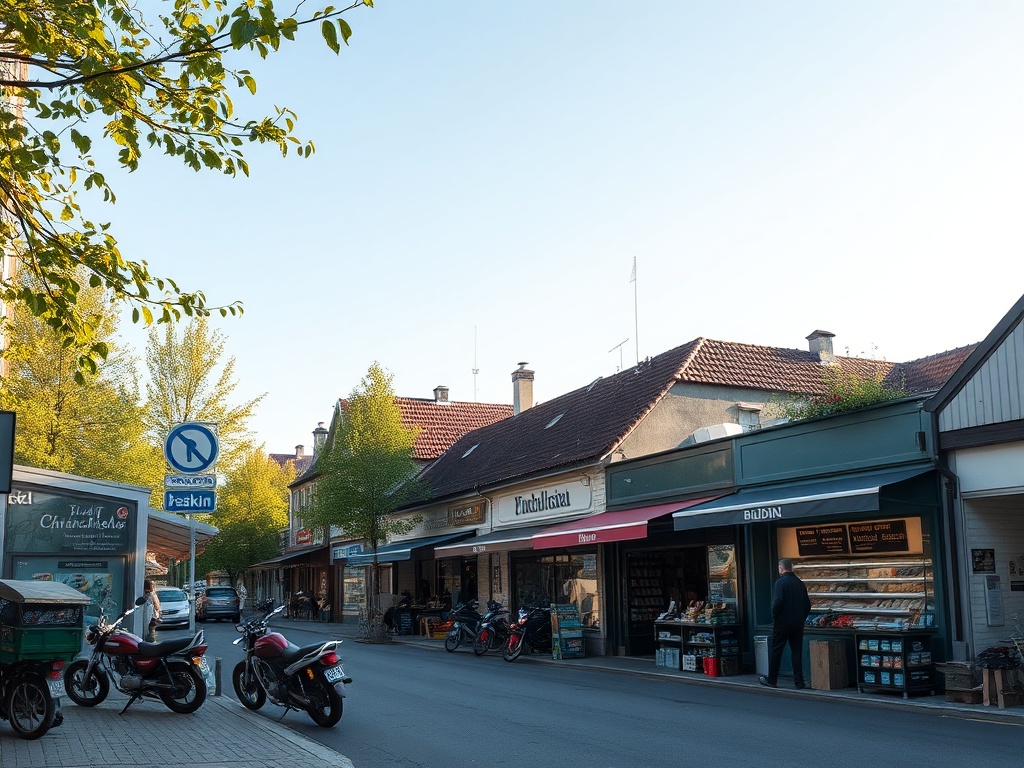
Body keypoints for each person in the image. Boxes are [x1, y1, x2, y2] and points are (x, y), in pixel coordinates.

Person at [760, 558, 811, 689]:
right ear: (791, 568)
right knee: (796, 652)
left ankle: (772, 680)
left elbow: (777, 602)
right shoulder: (800, 583)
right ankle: (799, 682)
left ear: (781, 568)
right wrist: (801, 618)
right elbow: (807, 605)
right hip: (798, 623)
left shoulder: (780, 583)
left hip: (782, 622)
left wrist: (776, 617)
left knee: (776, 651)